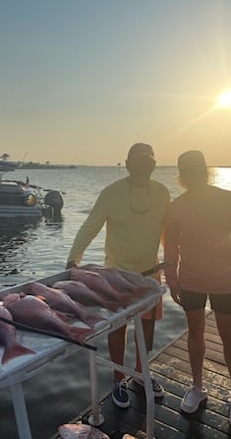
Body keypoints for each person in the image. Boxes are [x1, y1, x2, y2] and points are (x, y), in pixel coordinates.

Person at [66, 143, 170, 408]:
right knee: (118, 327)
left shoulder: (161, 192)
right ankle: (118, 378)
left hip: (150, 275)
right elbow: (91, 226)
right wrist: (73, 259)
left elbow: (167, 231)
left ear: (154, 164)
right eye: (137, 161)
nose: (142, 166)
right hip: (116, 275)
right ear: (126, 163)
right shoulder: (111, 193)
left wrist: (174, 260)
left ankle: (141, 373)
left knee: (147, 327)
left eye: (147, 161)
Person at [164, 150, 231, 429]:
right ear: (183, 175)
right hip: (189, 280)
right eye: (188, 171)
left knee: (229, 336)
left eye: (197, 170)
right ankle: (198, 387)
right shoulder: (176, 206)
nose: (193, 175)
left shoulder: (226, 198)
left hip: (224, 279)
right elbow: (170, 246)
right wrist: (171, 276)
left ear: (205, 171)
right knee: (195, 333)